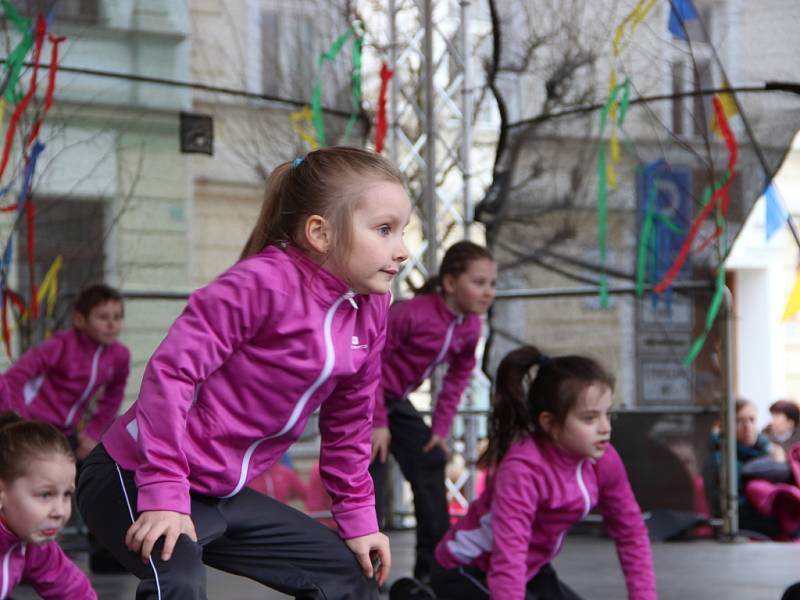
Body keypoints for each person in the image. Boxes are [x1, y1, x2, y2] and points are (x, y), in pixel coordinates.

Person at [76, 146, 411, 600]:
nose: (403, 250)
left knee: (349, 576)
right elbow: (171, 376)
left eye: (403, 231)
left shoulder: (370, 310)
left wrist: (359, 520)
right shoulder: (259, 284)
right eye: (385, 230)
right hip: (135, 473)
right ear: (320, 232)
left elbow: (350, 424)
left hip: (218, 492)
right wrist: (164, 491)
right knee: (178, 578)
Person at [392, 345, 657, 600]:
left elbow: (630, 531)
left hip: (533, 568)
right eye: (589, 418)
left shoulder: (603, 459)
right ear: (550, 423)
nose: (604, 428)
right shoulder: (523, 469)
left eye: (607, 415)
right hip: (466, 568)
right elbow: (509, 556)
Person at [370, 241, 496, 581]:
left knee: (431, 459)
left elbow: (457, 379)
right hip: (362, 396)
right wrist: (377, 420)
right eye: (479, 282)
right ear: (451, 284)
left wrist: (440, 431)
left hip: (394, 401)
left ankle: (433, 575)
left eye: (492, 284)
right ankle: (362, 575)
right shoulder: (411, 313)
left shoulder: (469, 327)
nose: (488, 292)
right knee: (371, 472)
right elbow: (371, 363)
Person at [1, 284, 129, 460]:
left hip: (66, 432)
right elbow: (14, 377)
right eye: (103, 317)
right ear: (79, 319)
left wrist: (92, 434)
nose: (111, 324)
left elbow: (114, 396)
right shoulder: (60, 345)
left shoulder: (119, 355)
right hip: (32, 423)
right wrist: (18, 419)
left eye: (117, 317)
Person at [0, 411, 96, 599]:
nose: (59, 512)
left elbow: (73, 591)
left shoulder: (33, 543)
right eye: (45, 495)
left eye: (67, 494)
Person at [707, 398, 782, 538]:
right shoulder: (721, 459)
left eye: (752, 420)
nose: (747, 427)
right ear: (724, 425)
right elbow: (731, 509)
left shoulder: (769, 451)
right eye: (738, 421)